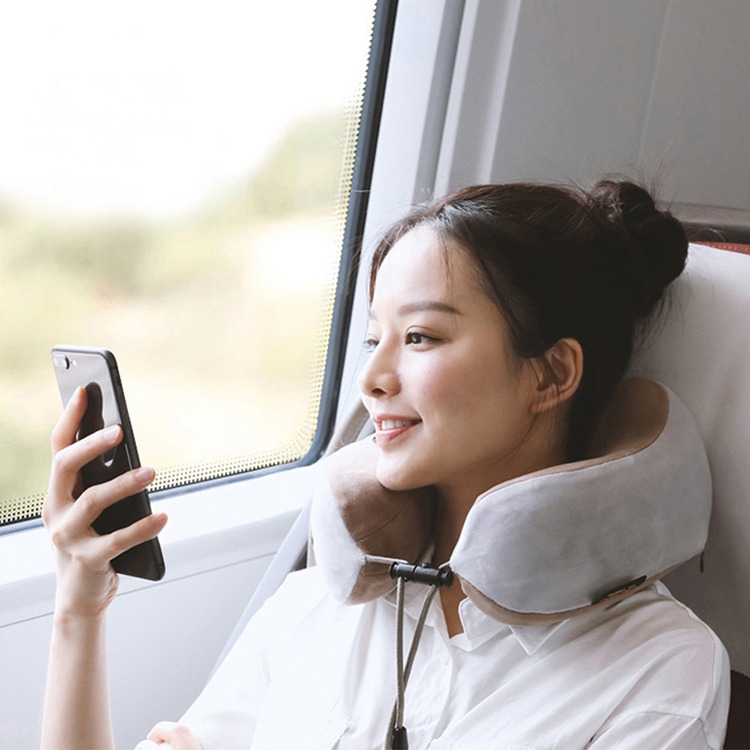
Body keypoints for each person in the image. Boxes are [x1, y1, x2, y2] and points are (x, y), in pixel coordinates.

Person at [41, 180, 730, 749]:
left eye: (421, 337)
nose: (371, 379)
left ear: (551, 374)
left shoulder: (659, 675)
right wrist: (79, 603)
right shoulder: (317, 604)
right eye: (375, 339)